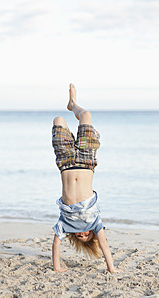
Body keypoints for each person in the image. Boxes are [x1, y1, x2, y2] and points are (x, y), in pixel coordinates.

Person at [52, 84, 119, 273]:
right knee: (86, 115)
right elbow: (105, 246)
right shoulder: (95, 223)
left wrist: (57, 268)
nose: (83, 233)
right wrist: (112, 269)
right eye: (87, 235)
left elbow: (56, 244)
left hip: (65, 162)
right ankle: (73, 104)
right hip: (86, 161)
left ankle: (70, 108)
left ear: (75, 236)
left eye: (80, 237)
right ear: (92, 234)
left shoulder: (64, 225)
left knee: (58, 120)